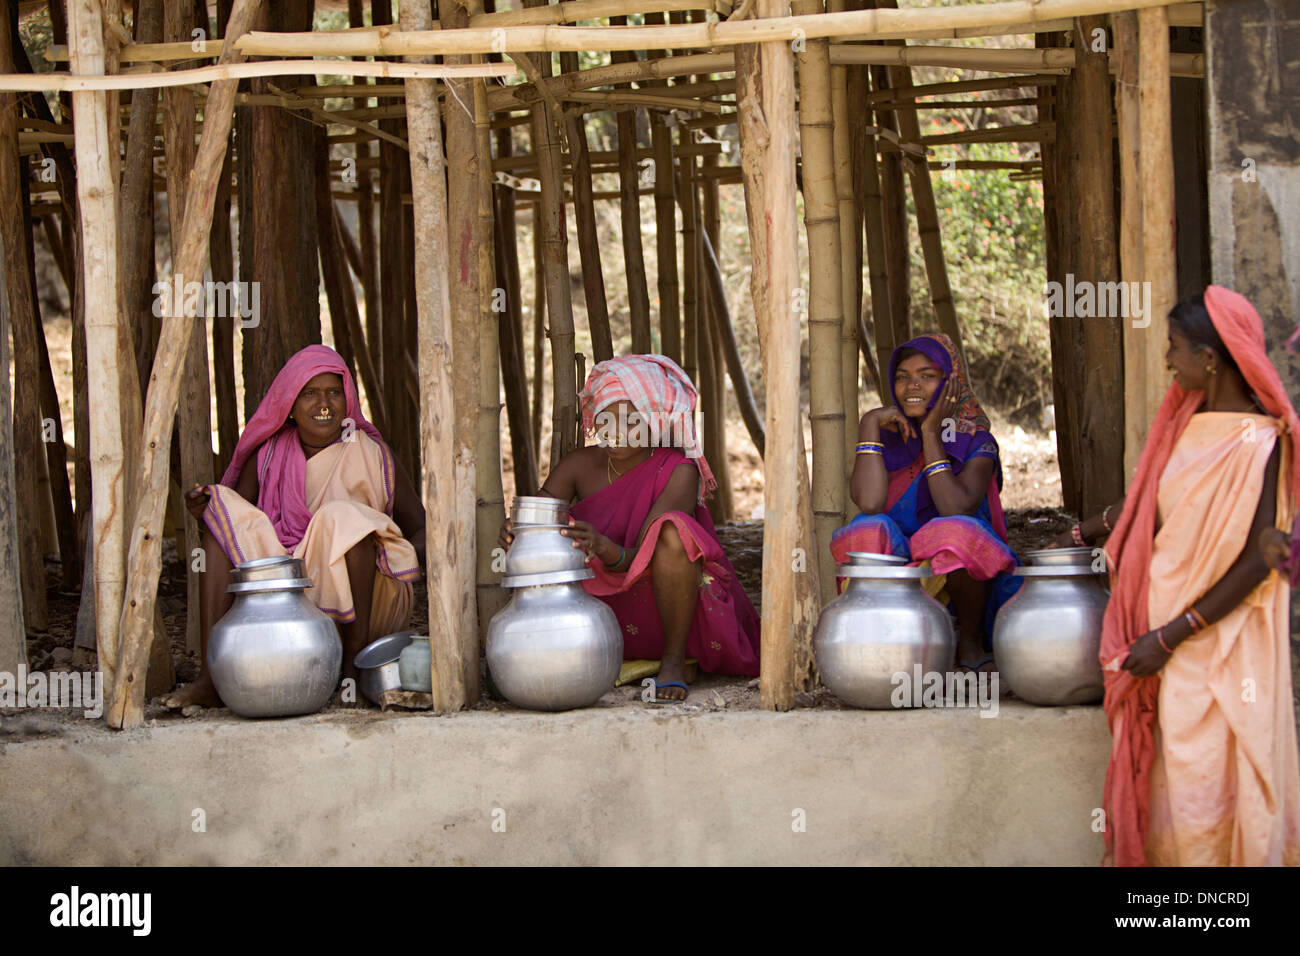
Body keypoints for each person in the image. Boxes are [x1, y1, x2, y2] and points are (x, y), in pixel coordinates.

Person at [1071, 288, 1300, 866]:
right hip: (1164, 645)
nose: (1169, 360)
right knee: (1175, 789)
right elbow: (1150, 512)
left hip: (1219, 642)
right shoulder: (1180, 426)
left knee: (1218, 780)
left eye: (1175, 348)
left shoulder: (1261, 440)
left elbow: (1256, 560)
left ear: (1212, 358)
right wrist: (1084, 534)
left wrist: (1171, 635)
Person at [162, 345, 425, 710]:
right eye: (310, 393)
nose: (324, 404)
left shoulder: (373, 454)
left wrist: (398, 555)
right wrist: (206, 512)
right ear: (290, 402)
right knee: (223, 510)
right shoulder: (267, 455)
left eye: (334, 392)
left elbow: (421, 530)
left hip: (368, 597)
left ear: (347, 399)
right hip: (283, 600)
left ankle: (353, 669)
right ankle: (212, 677)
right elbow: (239, 530)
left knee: (346, 522)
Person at [499, 354, 760, 701]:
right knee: (558, 527)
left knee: (673, 530)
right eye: (607, 419)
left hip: (664, 604)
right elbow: (539, 514)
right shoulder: (578, 464)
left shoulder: (678, 470)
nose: (617, 432)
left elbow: (648, 555)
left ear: (656, 421)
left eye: (632, 420)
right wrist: (519, 531)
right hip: (592, 610)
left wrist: (607, 549)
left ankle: (673, 661)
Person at [832, 332, 1019, 672]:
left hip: (965, 574)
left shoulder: (976, 440)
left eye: (927, 376)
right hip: (901, 572)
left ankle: (970, 640)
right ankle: (880, 636)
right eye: (902, 377)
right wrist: (869, 423)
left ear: (951, 383)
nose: (911, 386)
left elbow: (955, 508)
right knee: (863, 529)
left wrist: (931, 434)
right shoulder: (888, 438)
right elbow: (870, 503)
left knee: (956, 531)